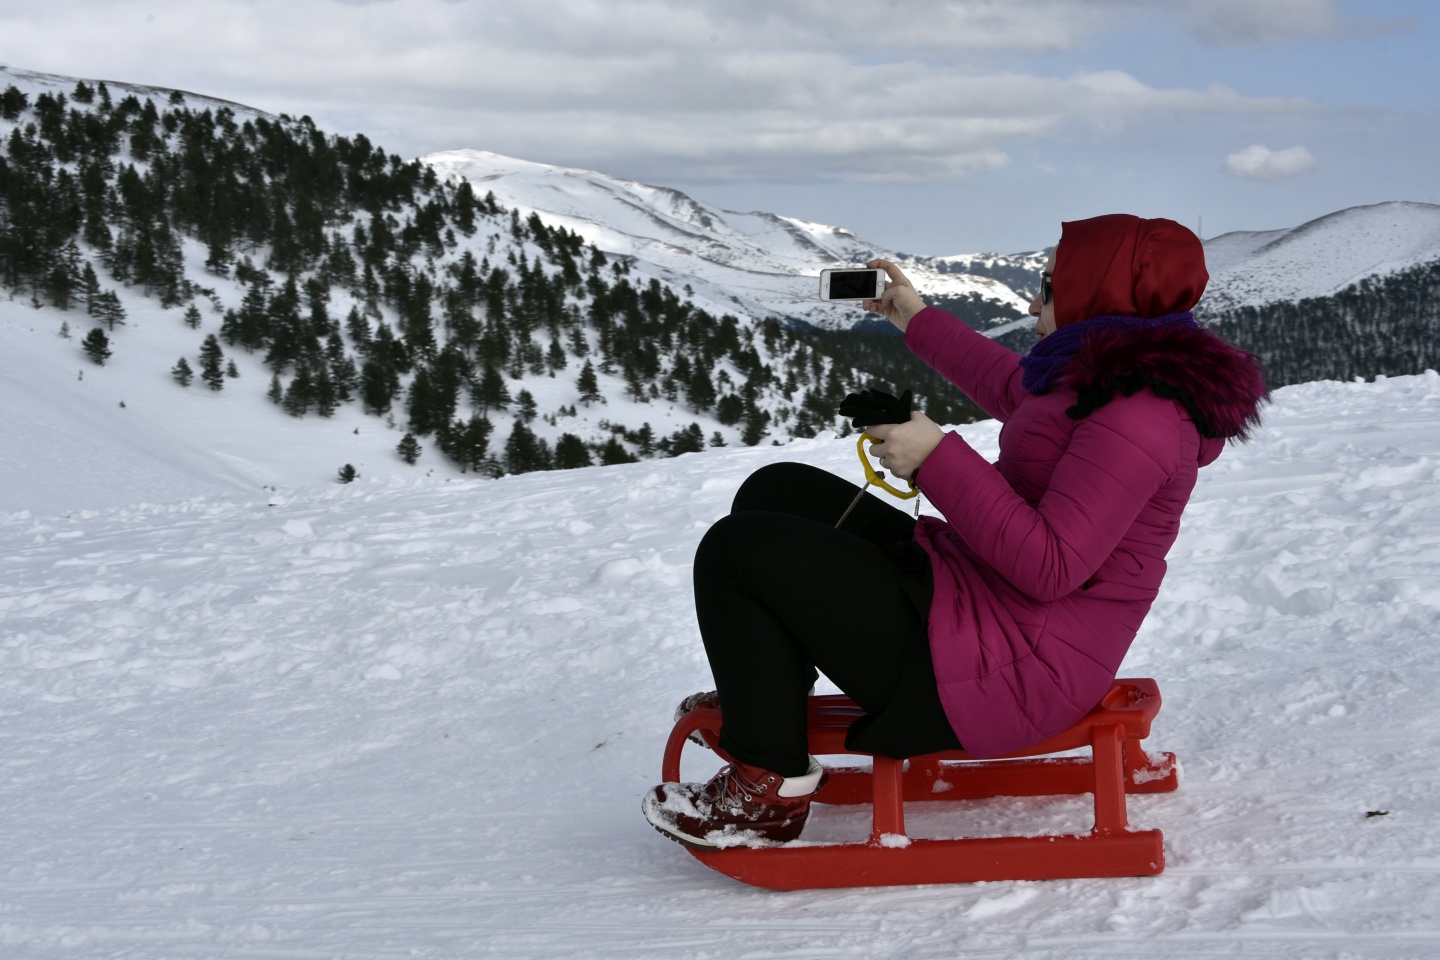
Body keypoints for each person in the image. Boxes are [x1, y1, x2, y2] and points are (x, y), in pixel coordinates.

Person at [642, 213, 1269, 849]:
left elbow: (1050, 565)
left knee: (735, 553)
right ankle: (769, 693)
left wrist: (934, 456)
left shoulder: (1140, 417)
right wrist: (911, 315)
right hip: (978, 607)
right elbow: (1011, 386)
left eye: (1049, 287)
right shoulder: (1103, 376)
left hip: (1007, 671)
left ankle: (765, 791)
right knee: (775, 492)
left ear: (1099, 292)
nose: (1033, 301)